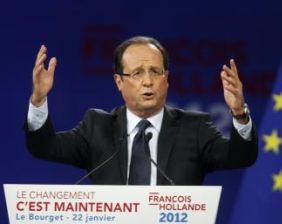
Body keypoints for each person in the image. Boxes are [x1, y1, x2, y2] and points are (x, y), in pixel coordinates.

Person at [25, 36, 258, 185]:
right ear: (119, 81)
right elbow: (44, 147)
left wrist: (239, 113)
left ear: (166, 79)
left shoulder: (193, 128)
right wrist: (38, 100)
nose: (148, 81)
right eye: (137, 73)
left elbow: (240, 157)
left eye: (156, 72)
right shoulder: (97, 127)